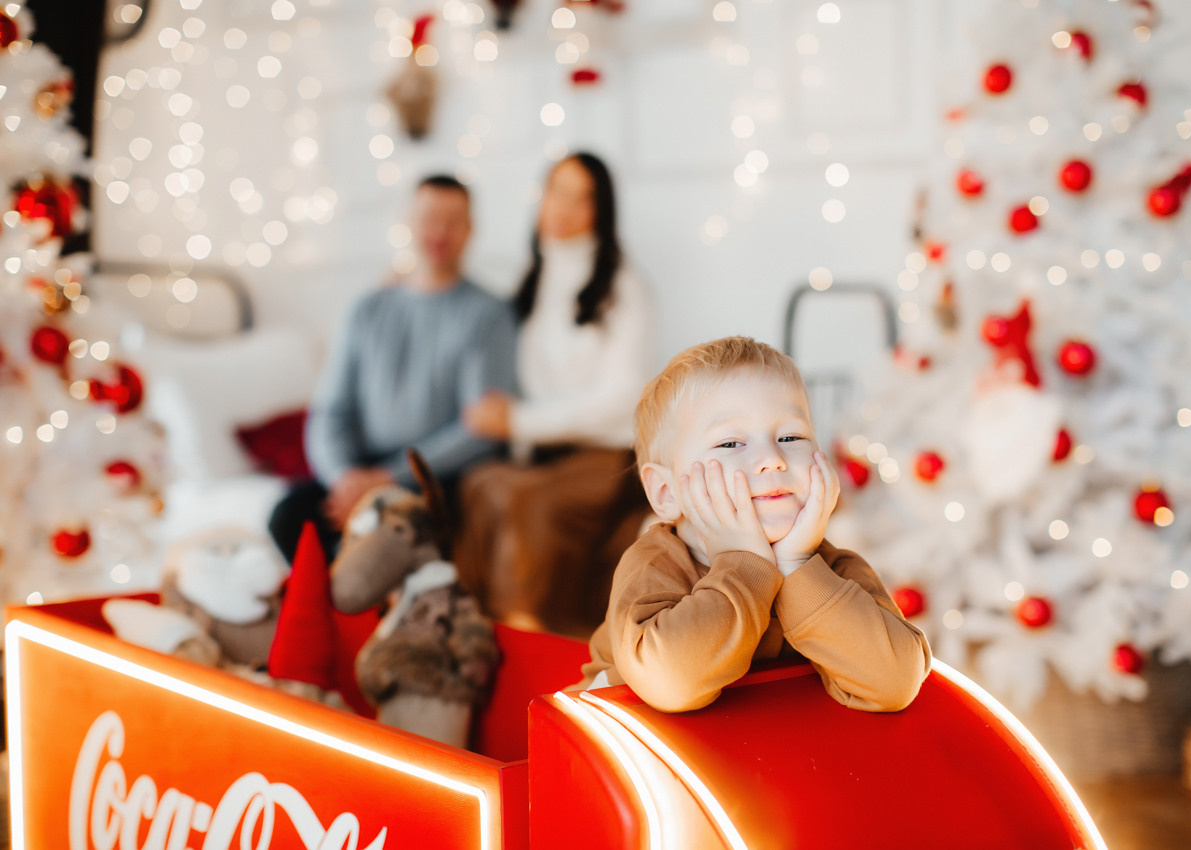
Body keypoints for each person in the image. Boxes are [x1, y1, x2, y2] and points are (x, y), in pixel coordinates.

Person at [572, 336, 931, 713]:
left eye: (790, 437)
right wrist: (746, 565)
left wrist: (797, 567)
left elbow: (896, 681)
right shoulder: (654, 565)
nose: (772, 459)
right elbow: (671, 681)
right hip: (611, 740)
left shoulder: (836, 570)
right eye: (730, 443)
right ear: (666, 491)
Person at [268, 175, 517, 562]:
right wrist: (344, 479)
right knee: (288, 518)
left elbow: (479, 430)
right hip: (360, 470)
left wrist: (388, 480)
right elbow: (330, 411)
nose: (440, 232)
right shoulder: (367, 310)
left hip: (434, 476)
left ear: (470, 230)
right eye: (429, 219)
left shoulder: (488, 315)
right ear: (408, 222)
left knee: (389, 534)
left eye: (453, 222)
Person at [457, 152, 653, 637]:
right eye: (556, 191)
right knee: (479, 484)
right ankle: (473, 631)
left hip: (605, 457)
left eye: (582, 198)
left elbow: (622, 395)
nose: (563, 207)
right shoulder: (532, 278)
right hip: (543, 456)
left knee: (525, 502)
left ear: (601, 211)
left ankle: (529, 636)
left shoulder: (623, 287)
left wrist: (519, 421)